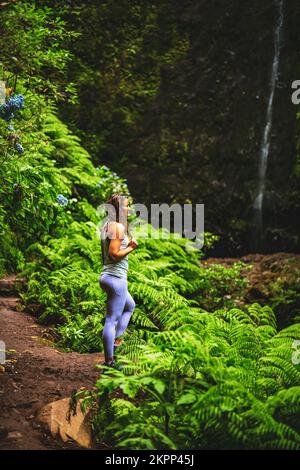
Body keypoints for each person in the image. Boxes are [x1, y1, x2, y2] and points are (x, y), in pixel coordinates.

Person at [99, 193, 138, 369]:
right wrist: (131, 248)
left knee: (130, 306)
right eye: (125, 206)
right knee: (112, 320)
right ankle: (110, 361)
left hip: (108, 276)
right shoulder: (118, 228)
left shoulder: (107, 225)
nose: (128, 209)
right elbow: (113, 255)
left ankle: (116, 343)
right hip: (116, 279)